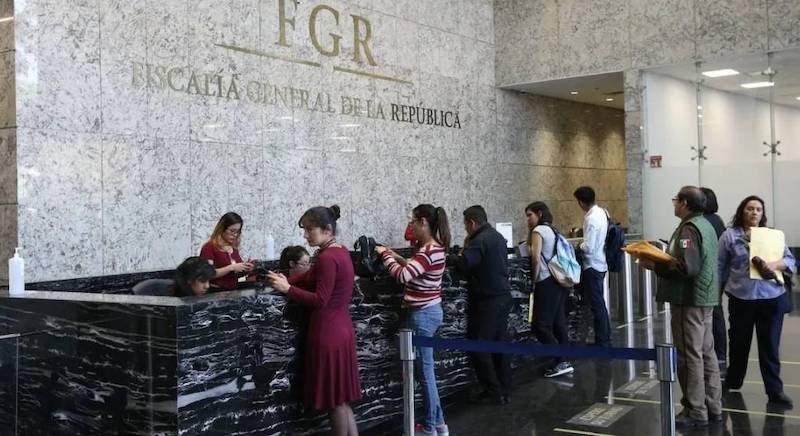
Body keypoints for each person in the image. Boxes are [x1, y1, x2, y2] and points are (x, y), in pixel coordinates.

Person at [266, 205, 361, 436]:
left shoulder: (327, 257)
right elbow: (310, 277)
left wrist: (287, 289)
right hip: (341, 329)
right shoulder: (340, 251)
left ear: (327, 229)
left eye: (310, 230)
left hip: (328, 333)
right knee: (341, 400)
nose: (305, 235)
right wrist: (286, 280)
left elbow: (320, 299)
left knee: (334, 402)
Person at [640, 186, 722, 428]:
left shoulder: (689, 228)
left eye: (676, 200)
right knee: (706, 353)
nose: (674, 204)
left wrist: (655, 265)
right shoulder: (706, 224)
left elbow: (688, 267)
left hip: (689, 300)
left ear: (684, 203)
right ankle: (713, 406)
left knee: (689, 355)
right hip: (705, 299)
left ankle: (695, 410)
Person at [376, 204, 450, 436]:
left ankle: (430, 428)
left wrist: (385, 255)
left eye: (413, 221)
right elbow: (416, 268)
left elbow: (402, 275)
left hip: (422, 316)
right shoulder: (434, 248)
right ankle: (439, 425)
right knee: (427, 372)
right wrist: (397, 256)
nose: (411, 226)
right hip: (429, 312)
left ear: (424, 222)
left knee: (425, 374)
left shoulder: (428, 251)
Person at [718, 195, 795, 408]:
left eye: (758, 209)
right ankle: (733, 381)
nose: (754, 212)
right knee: (738, 343)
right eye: (750, 208)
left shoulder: (772, 235)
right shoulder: (729, 236)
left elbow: (790, 260)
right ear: (742, 211)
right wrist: (716, 294)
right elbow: (720, 265)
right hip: (741, 298)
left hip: (771, 297)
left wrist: (774, 265)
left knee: (769, 345)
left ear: (762, 214)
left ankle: (775, 391)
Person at [449, 205, 512, 405]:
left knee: (479, 345)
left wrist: (450, 257)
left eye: (466, 225)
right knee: (499, 344)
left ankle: (493, 391)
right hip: (502, 296)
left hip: (488, 300)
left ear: (472, 223)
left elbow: (466, 263)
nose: (465, 229)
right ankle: (504, 389)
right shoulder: (496, 236)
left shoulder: (480, 240)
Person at [526, 201, 574, 377]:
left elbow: (535, 258)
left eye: (530, 215)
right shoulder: (553, 230)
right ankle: (565, 360)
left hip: (546, 281)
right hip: (559, 282)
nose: (528, 220)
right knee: (558, 323)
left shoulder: (538, 231)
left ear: (539, 214)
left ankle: (560, 361)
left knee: (540, 325)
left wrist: (533, 280)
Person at [573, 186, 611, 347]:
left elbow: (589, 247)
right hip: (600, 263)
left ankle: (602, 340)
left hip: (592, 266)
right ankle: (603, 337)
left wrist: (579, 245)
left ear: (581, 202)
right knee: (598, 303)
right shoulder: (602, 212)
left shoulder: (591, 219)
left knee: (597, 305)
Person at [700, 187, 727, 377]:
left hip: (708, 276)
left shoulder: (704, 222)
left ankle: (715, 356)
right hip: (718, 275)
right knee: (716, 314)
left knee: (712, 316)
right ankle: (720, 357)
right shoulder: (717, 220)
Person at [200, 212, 254, 290]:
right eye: (232, 231)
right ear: (222, 229)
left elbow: (233, 275)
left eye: (238, 232)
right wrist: (231, 268)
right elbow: (208, 274)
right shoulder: (209, 247)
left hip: (232, 290)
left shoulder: (233, 248)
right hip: (215, 291)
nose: (235, 235)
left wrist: (246, 269)